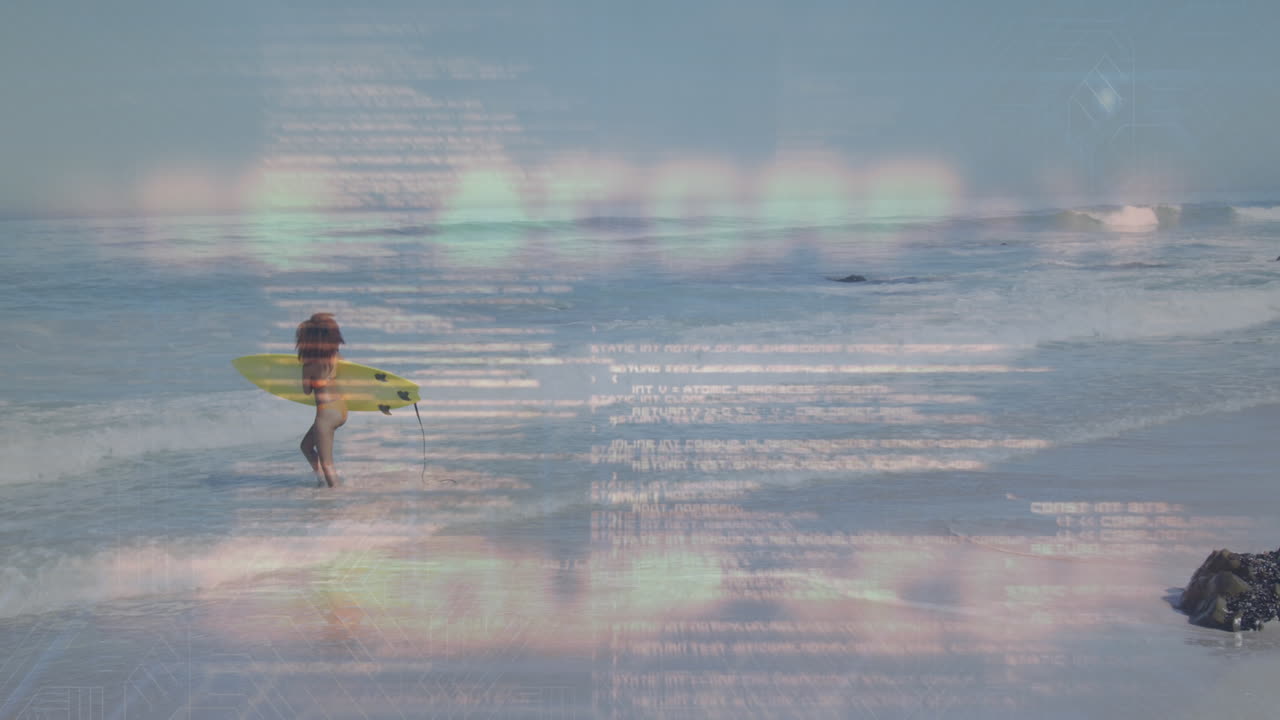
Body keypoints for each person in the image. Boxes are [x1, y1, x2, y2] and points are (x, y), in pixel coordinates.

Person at [296, 313, 347, 487]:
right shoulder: (335, 356)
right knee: (306, 446)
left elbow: (306, 391)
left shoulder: (308, 366)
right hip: (340, 409)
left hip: (325, 415)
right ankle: (319, 481)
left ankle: (336, 495)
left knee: (327, 463)